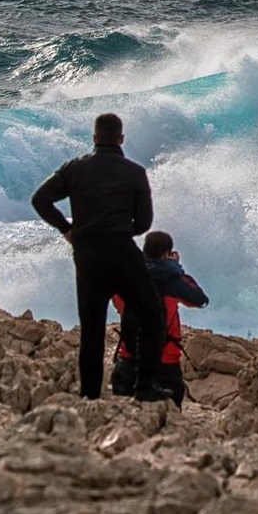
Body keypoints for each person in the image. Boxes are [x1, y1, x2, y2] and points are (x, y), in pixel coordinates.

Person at [31, 112, 172, 402]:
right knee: (152, 316)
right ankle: (145, 386)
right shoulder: (135, 172)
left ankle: (90, 397)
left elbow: (40, 200)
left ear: (94, 139)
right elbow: (144, 224)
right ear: (122, 139)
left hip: (87, 256)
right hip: (122, 252)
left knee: (92, 329)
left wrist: (67, 229)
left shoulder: (75, 169)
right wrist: (122, 229)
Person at [110, 230, 208, 406]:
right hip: (165, 363)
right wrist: (177, 270)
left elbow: (117, 302)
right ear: (167, 254)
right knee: (166, 424)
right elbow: (199, 300)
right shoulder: (173, 283)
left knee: (124, 418)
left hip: (129, 361)